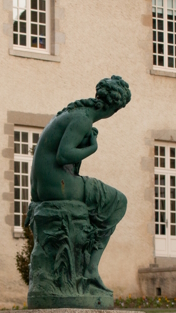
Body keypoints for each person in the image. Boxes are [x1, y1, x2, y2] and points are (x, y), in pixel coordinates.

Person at [29, 76, 131, 291]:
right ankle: (91, 269)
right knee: (118, 201)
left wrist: (83, 142)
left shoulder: (72, 113)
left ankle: (86, 262)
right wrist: (92, 148)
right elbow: (63, 155)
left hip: (44, 188)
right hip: (57, 185)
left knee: (102, 201)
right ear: (114, 107)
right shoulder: (83, 118)